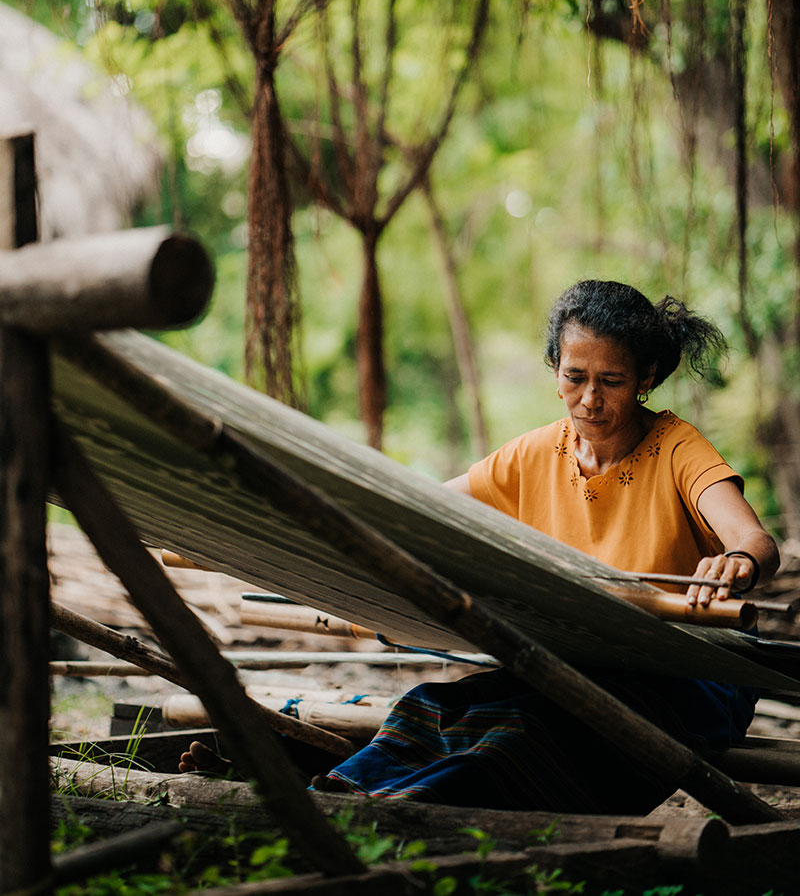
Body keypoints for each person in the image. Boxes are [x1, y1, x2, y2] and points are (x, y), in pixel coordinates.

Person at [182, 279, 780, 814]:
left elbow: (755, 539)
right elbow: (420, 510)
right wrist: (300, 517)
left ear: (646, 378)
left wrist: (737, 559)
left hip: (686, 676)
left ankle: (382, 811)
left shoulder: (676, 447)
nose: (590, 400)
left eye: (612, 381)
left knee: (527, 727)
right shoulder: (533, 455)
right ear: (554, 371)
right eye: (575, 378)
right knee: (432, 708)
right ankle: (333, 795)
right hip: (581, 668)